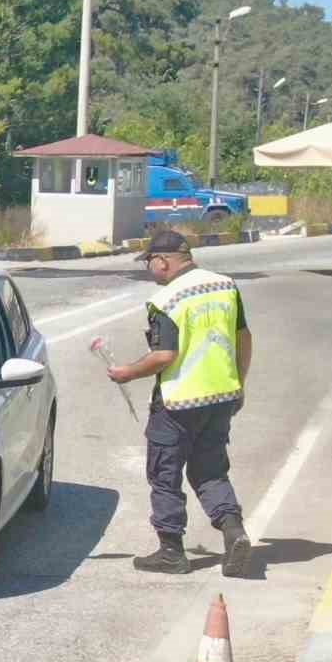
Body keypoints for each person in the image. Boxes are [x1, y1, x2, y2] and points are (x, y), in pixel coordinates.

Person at [107, 230, 254, 577]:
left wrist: (127, 372)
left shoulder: (168, 300)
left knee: (164, 474)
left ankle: (171, 551)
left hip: (178, 402)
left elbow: (163, 356)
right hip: (221, 397)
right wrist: (239, 384)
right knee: (211, 470)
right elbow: (243, 338)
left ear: (163, 260)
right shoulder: (225, 286)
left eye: (149, 263)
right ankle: (234, 532)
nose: (149, 270)